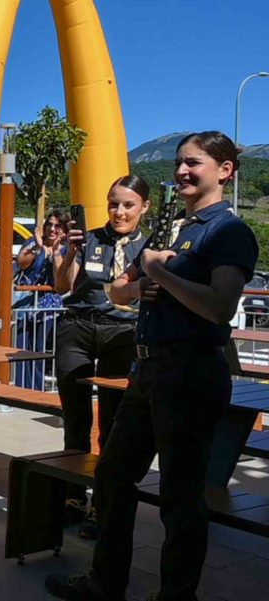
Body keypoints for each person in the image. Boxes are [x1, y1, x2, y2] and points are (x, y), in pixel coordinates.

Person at [46, 132, 259, 601]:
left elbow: (220, 307)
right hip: (148, 371)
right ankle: (106, 582)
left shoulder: (228, 232)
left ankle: (176, 595)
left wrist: (159, 272)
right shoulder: (174, 230)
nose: (181, 170)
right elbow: (118, 290)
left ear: (225, 170)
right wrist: (139, 285)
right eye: (179, 162)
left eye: (194, 163)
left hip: (189, 372)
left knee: (179, 495)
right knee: (113, 475)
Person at [50, 178, 150, 539]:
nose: (119, 212)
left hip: (121, 333)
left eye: (128, 205)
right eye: (113, 204)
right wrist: (71, 252)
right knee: (75, 419)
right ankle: (73, 497)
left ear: (144, 207)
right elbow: (63, 286)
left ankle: (102, 503)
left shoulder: (150, 246)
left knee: (113, 421)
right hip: (77, 328)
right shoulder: (89, 238)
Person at [12, 209, 69, 391]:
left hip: (49, 309)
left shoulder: (67, 249)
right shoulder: (33, 242)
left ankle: (36, 392)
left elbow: (60, 280)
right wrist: (38, 248)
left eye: (57, 226)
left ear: (65, 229)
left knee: (39, 352)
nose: (52, 229)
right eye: (49, 224)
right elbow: (22, 262)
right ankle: (21, 391)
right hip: (25, 305)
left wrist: (55, 252)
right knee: (20, 351)